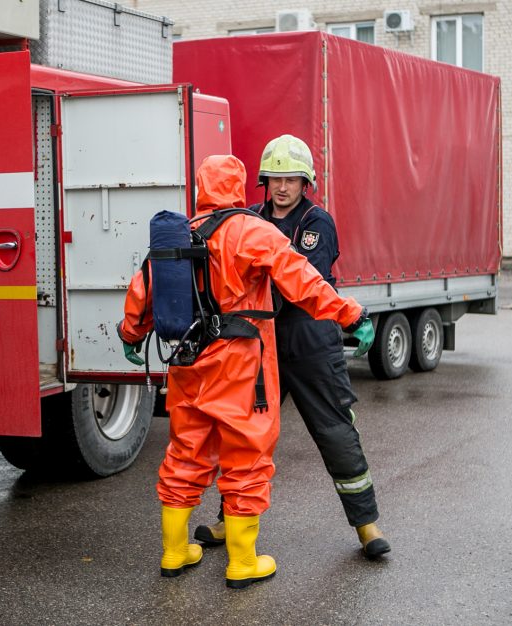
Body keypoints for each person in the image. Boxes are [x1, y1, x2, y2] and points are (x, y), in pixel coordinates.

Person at [117, 154, 374, 589]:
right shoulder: (254, 231)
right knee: (246, 457)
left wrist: (130, 336)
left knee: (185, 454)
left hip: (188, 365)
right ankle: (242, 562)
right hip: (240, 368)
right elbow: (304, 281)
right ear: (239, 186)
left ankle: (174, 552)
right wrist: (350, 314)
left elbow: (143, 290)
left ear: (201, 188)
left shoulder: (181, 235)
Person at [193, 135, 390, 559]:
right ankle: (229, 521)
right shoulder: (248, 218)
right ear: (264, 181)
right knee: (244, 437)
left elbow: (302, 285)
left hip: (311, 342)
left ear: (306, 183)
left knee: (335, 431)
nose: (282, 187)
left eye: (291, 179)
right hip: (258, 345)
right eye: (275, 179)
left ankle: (367, 526)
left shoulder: (317, 223)